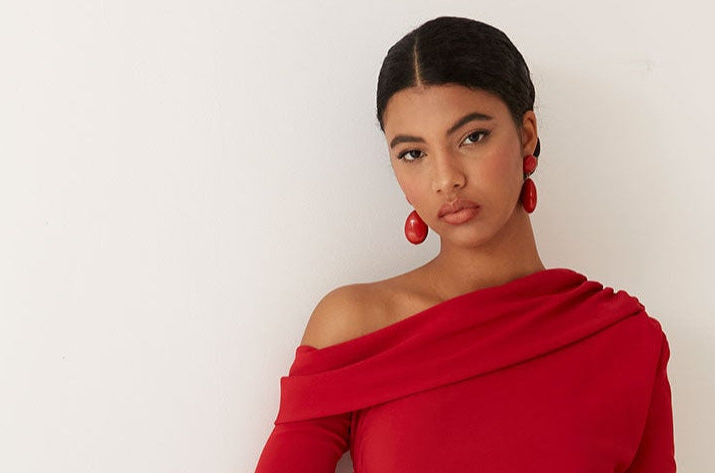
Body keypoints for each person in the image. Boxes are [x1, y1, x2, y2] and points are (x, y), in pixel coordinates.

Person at [253, 15, 675, 472]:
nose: (446, 178)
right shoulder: (356, 325)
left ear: (526, 134)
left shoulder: (623, 339)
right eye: (413, 153)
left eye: (472, 137)